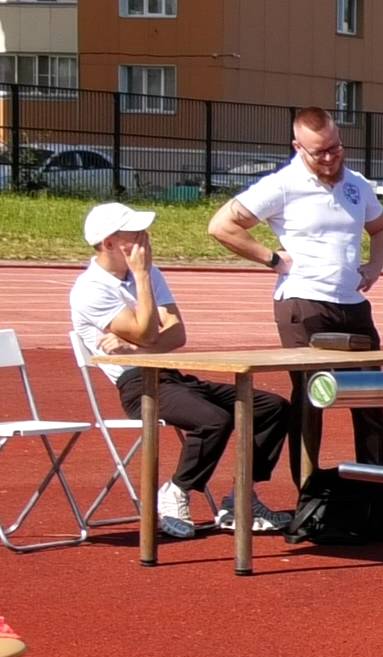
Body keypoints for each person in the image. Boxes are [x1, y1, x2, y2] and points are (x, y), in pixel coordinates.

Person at [70, 202, 292, 536]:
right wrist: (141, 278)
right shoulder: (91, 289)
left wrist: (136, 346)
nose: (146, 238)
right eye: (135, 233)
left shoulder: (151, 272)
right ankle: (176, 490)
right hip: (138, 384)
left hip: (172, 375)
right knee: (215, 420)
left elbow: (177, 334)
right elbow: (149, 332)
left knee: (272, 407)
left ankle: (241, 499)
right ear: (110, 243)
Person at [207, 106, 383, 466]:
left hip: (352, 303)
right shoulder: (282, 185)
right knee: (312, 396)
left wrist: (374, 266)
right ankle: (309, 488)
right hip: (304, 303)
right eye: (320, 152)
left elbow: (381, 228)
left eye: (335, 148)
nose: (330, 158)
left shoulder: (356, 183)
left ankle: (377, 484)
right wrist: (271, 258)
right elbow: (221, 226)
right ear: (298, 147)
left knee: (371, 396)